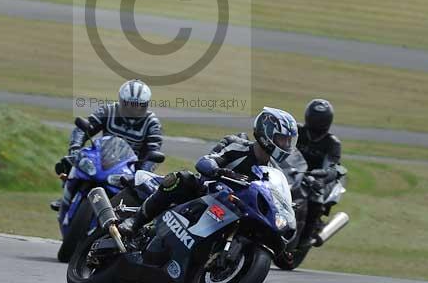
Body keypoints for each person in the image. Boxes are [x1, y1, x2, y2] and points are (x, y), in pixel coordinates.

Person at [121, 106, 298, 235]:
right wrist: (220, 171)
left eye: (288, 141)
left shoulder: (273, 171)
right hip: (205, 194)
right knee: (181, 179)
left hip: (236, 210)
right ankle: (135, 222)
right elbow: (206, 161)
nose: (286, 146)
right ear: (266, 134)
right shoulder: (238, 147)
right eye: (282, 140)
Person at [50, 80, 163, 210]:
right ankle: (68, 196)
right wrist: (75, 149)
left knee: (143, 194)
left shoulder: (152, 123)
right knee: (71, 162)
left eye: (139, 105)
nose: (133, 109)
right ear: (121, 101)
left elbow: (154, 150)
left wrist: (140, 174)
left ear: (146, 105)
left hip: (129, 168)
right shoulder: (108, 110)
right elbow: (83, 128)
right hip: (102, 157)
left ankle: (128, 219)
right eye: (129, 104)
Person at [296, 98, 342, 243]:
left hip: (316, 178)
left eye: (320, 119)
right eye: (314, 118)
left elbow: (332, 164)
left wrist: (324, 174)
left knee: (316, 200)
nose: (316, 122)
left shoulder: (332, 143)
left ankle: (306, 236)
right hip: (291, 172)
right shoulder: (297, 131)